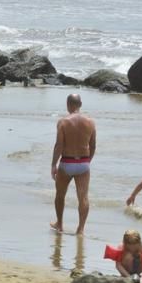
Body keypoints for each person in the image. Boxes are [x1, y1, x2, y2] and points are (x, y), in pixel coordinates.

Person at [50, 94, 96, 235]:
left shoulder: (63, 122)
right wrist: (87, 161)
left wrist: (53, 165)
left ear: (68, 104)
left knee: (60, 195)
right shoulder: (90, 122)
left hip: (67, 162)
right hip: (83, 163)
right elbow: (93, 145)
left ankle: (60, 224)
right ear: (80, 104)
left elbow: (59, 145)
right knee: (83, 197)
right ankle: (80, 229)